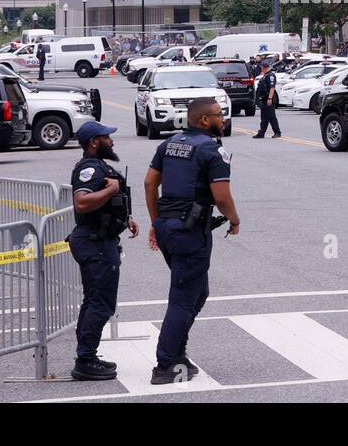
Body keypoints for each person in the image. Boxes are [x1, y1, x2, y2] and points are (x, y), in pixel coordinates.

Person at [144, 97, 239, 384]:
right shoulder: (211, 149)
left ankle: (177, 351)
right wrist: (235, 219)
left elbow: (150, 183)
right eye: (219, 115)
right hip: (188, 231)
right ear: (204, 120)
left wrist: (155, 221)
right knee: (184, 298)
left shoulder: (170, 143)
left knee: (197, 292)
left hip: (168, 226)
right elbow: (221, 197)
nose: (223, 120)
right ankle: (166, 363)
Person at [68, 120, 139, 381]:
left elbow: (106, 204)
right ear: (93, 142)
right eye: (106, 137)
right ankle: (85, 360)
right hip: (95, 244)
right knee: (101, 303)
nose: (111, 140)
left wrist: (125, 217)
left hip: (100, 239)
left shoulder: (99, 166)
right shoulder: (88, 169)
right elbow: (82, 202)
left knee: (94, 301)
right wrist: (110, 190)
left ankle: (87, 355)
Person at [253, 60, 281, 139]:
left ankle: (277, 132)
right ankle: (261, 133)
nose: (261, 69)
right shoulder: (265, 75)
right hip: (264, 99)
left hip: (269, 99)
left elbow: (272, 88)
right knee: (264, 118)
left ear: (265, 68)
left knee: (271, 117)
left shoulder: (271, 76)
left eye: (262, 68)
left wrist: (270, 98)